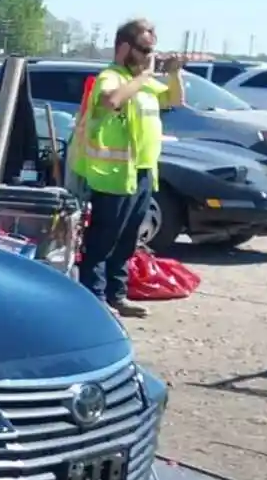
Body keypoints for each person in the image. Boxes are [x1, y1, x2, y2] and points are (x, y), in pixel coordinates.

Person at [69, 18, 184, 319]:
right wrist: (144, 75)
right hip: (112, 175)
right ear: (124, 48)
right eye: (145, 49)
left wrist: (174, 73)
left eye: (152, 50)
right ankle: (94, 299)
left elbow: (175, 99)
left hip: (141, 172)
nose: (150, 56)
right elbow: (110, 100)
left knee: (127, 240)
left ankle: (117, 295)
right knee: (103, 240)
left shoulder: (143, 83)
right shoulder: (112, 76)